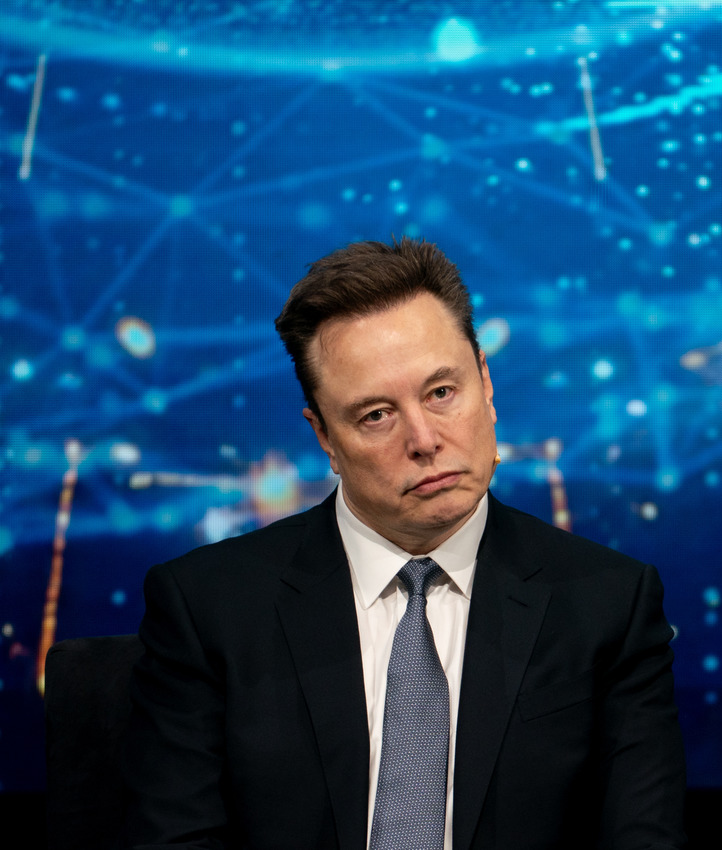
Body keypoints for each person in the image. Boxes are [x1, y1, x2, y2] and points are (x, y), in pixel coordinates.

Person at [122, 238, 687, 850]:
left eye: (442, 392)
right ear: (324, 436)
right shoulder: (208, 608)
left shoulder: (609, 604)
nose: (424, 440)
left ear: (486, 382)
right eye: (376, 415)